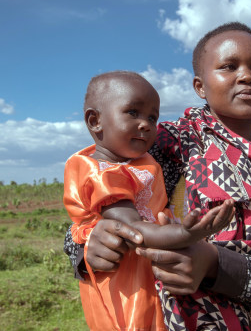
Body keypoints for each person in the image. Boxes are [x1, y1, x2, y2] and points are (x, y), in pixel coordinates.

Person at [65, 22, 251, 330]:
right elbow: (91, 215)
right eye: (229, 66)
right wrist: (89, 245)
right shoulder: (163, 148)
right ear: (200, 86)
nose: (247, 75)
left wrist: (216, 265)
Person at [63, 71, 235, 330]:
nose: (145, 124)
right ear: (95, 120)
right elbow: (132, 229)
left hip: (146, 270)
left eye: (152, 117)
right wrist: (186, 233)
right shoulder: (99, 173)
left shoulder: (140, 161)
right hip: (124, 280)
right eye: (133, 112)